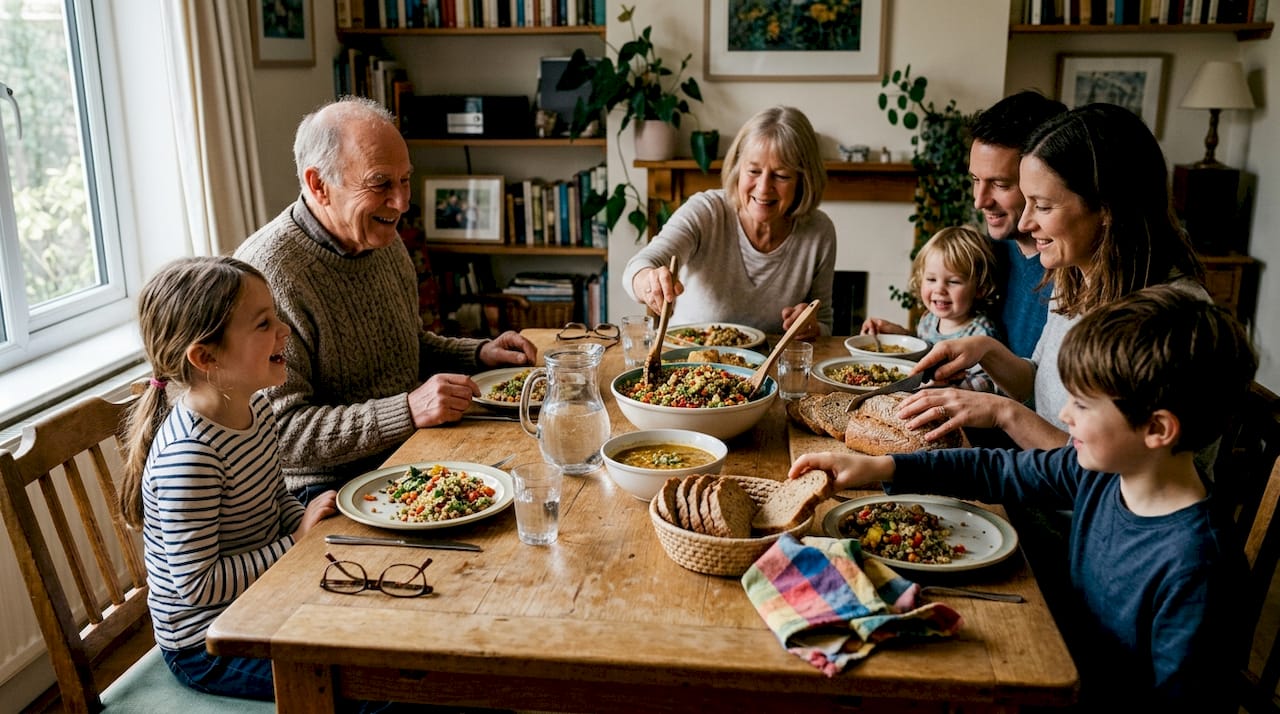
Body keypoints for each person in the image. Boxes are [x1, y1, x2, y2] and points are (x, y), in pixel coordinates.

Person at [792, 285, 1256, 712]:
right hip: (1053, 653)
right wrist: (882, 467)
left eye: (1084, 405)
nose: (1064, 415)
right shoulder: (1105, 475)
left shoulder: (1200, 568)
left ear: (1156, 429)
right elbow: (997, 469)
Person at [235, 97, 537, 503]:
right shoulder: (267, 275)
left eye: (405, 180)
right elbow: (281, 433)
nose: (401, 202)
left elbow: (406, 347)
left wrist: (480, 355)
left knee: (540, 471)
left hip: (407, 454)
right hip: (323, 491)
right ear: (318, 185)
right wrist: (407, 411)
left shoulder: (383, 239)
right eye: (380, 183)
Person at [897, 103, 1206, 451]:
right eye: (1026, 202)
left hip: (1065, 502)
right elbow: (1038, 385)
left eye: (1042, 206)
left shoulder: (1171, 318)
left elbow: (1110, 479)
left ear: (1107, 208)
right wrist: (985, 349)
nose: (1026, 224)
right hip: (1035, 480)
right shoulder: (1074, 277)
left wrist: (1004, 413)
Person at [118, 257, 338, 699]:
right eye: (263, 324)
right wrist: (297, 542)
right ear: (205, 356)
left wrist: (306, 522)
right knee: (362, 688)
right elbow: (199, 586)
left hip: (258, 599)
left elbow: (276, 499)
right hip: (208, 645)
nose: (284, 330)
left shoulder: (255, 408)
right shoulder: (191, 455)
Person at [622, 105, 835, 338]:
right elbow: (640, 265)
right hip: (688, 362)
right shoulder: (706, 210)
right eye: (753, 171)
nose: (763, 188)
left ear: (804, 181)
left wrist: (810, 326)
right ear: (737, 169)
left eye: (782, 176)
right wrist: (648, 281)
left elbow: (824, 323)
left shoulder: (819, 231)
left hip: (766, 369)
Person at [968, 90, 1066, 360]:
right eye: (976, 180)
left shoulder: (1071, 270)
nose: (980, 201)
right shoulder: (991, 253)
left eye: (1001, 184)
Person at [860, 225, 1001, 392]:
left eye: (953, 281)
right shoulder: (929, 319)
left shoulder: (980, 333)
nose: (939, 289)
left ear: (980, 288)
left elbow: (990, 384)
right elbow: (922, 348)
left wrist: (951, 385)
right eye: (931, 279)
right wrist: (898, 333)